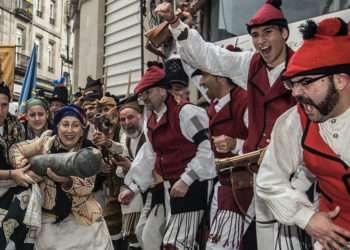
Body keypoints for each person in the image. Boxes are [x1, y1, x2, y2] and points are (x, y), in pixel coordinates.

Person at [154, 1, 308, 249]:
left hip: (297, 177)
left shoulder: (305, 67)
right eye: (255, 35)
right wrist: (175, 24)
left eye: (268, 32)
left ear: (285, 33)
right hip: (259, 177)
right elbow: (208, 56)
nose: (261, 42)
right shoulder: (250, 64)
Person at [256, 17, 350, 250]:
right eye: (292, 83)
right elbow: (269, 180)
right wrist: (307, 218)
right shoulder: (294, 123)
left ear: (340, 80)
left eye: (306, 82)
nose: (296, 93)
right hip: (335, 239)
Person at [119, 62, 216, 249]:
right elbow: (149, 155)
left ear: (163, 92)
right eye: (142, 94)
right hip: (170, 186)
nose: (144, 98)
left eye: (148, 92)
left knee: (176, 244)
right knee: (178, 242)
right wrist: (133, 187)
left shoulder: (187, 112)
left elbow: (207, 148)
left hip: (196, 183)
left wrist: (187, 179)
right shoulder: (152, 119)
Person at [10, 104, 113, 250]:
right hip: (49, 219)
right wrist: (26, 169)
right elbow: (15, 149)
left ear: (82, 129)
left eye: (75, 125)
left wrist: (65, 180)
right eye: (65, 124)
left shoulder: (89, 151)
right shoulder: (45, 142)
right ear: (57, 126)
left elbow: (87, 187)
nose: (70, 130)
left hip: (82, 217)